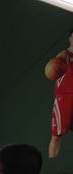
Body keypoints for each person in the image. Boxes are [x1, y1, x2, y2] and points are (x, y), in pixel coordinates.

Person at [48, 28, 73, 158]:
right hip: (64, 98)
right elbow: (58, 61)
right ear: (70, 38)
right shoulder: (64, 55)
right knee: (56, 136)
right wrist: (56, 63)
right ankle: (49, 163)